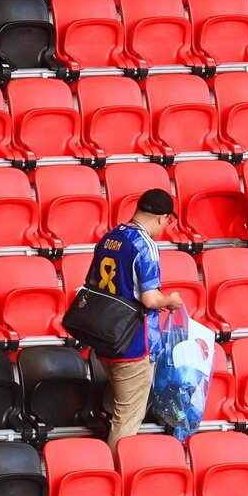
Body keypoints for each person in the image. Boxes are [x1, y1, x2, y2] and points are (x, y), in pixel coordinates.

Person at [89, 188, 183, 455]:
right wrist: (170, 300)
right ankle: (114, 478)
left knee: (116, 409)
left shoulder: (110, 237)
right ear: (163, 218)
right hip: (134, 344)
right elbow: (151, 299)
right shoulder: (145, 244)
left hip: (106, 337)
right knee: (127, 420)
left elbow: (93, 284)